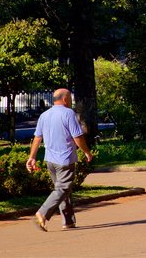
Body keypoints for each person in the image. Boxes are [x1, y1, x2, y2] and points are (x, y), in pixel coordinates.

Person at [26, 88, 93, 231]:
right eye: (70, 98)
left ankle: (68, 221)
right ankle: (42, 213)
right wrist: (87, 152)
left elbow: (37, 137)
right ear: (64, 99)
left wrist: (32, 157)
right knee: (63, 188)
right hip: (65, 159)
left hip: (50, 160)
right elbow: (77, 137)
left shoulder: (44, 115)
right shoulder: (69, 113)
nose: (71, 101)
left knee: (62, 190)